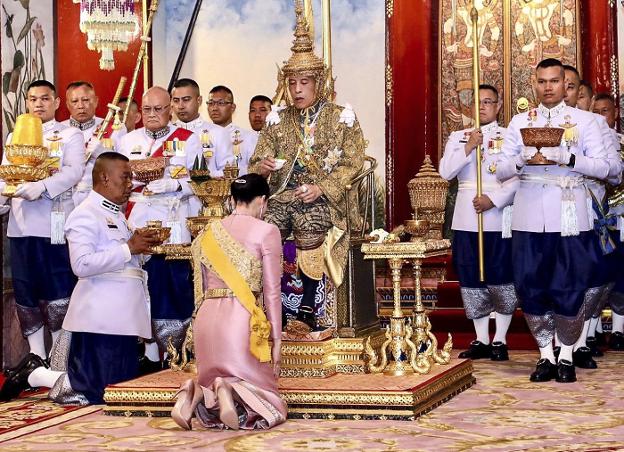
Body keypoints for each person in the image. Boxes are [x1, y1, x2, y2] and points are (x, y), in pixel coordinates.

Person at [0, 153, 161, 403]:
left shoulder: (117, 215)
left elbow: (125, 262)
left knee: (120, 388)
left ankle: (39, 373)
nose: (131, 183)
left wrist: (144, 249)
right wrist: (129, 248)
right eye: (126, 177)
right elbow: (81, 265)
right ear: (106, 178)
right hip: (100, 319)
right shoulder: (85, 214)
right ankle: (37, 374)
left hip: (125, 316)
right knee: (95, 390)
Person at [249, 4, 366, 333]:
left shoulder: (341, 116)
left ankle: (307, 307)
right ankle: (272, 307)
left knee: (309, 222)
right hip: (284, 195)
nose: (297, 90)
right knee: (265, 228)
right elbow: (257, 160)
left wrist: (321, 187)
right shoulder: (277, 120)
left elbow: (353, 161)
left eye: (304, 82)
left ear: (319, 83)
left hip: (325, 198)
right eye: (292, 83)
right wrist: (265, 167)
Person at [497, 58, 609, 383]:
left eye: (554, 81)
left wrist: (569, 158)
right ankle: (546, 354)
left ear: (565, 83)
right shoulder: (519, 122)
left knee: (570, 283)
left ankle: (567, 355)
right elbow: (501, 170)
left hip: (570, 211)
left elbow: (607, 168)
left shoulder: (585, 121)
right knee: (530, 283)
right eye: (542, 81)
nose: (548, 87)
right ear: (534, 84)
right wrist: (520, 159)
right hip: (529, 213)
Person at [171, 173, 286, 430]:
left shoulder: (207, 232)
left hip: (207, 318)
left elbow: (198, 288)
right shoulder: (267, 231)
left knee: (213, 375)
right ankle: (227, 389)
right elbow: (272, 291)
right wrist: (276, 339)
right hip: (240, 318)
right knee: (266, 395)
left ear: (231, 200)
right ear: (263, 201)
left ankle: (192, 396)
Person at [0, 80, 84, 376]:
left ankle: (59, 358)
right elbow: (5, 173)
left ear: (57, 102)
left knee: (57, 288)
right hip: (21, 226)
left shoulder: (70, 134)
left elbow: (74, 172)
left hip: (54, 223)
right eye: (33, 99)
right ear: (26, 102)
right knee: (26, 290)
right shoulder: (15, 137)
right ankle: (36, 358)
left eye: (45, 98)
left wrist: (42, 187)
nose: (38, 104)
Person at [118, 86, 202, 371]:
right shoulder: (127, 140)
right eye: (147, 110)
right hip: (138, 219)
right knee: (143, 288)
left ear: (170, 110)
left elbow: (203, 182)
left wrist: (175, 184)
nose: (152, 115)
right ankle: (150, 357)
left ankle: (176, 354)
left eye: (159, 109)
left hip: (173, 221)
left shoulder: (188, 140)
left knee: (173, 288)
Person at [439, 84, 519, 361]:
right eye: (479, 102)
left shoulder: (509, 136)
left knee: (501, 274)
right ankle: (482, 338)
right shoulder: (458, 137)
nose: (483, 107)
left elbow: (517, 177)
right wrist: (468, 147)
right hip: (466, 215)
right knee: (471, 276)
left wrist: (494, 200)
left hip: (497, 214)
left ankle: (500, 339)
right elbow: (445, 172)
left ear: (498, 106)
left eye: (489, 102)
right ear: (471, 107)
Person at [561, 65, 622, 368]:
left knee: (590, 276)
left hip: (591, 210)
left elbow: (613, 170)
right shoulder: (546, 122)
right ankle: (563, 342)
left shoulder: (597, 126)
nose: (569, 94)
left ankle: (584, 339)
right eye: (565, 86)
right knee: (564, 277)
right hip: (557, 212)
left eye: (575, 89)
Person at [590, 93, 624, 351]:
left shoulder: (621, 143)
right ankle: (594, 330)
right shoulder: (588, 141)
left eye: (606, 111)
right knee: (597, 273)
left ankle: (620, 330)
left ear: (615, 114)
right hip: (596, 216)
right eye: (597, 111)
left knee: (620, 273)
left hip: (620, 216)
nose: (602, 116)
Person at [62, 81, 126, 206]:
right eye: (74, 101)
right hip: (65, 198)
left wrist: (103, 155)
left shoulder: (114, 128)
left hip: (99, 198)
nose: (80, 106)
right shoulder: (59, 131)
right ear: (67, 104)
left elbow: (124, 167)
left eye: (86, 100)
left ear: (96, 101)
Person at [171, 78, 234, 177]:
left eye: (186, 100)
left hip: (205, 191)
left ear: (199, 100)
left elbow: (228, 172)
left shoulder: (218, 133)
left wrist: (195, 176)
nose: (180, 106)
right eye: (176, 100)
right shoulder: (168, 133)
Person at [207, 85, 257, 175]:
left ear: (233, 107)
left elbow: (254, 169)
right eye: (211, 103)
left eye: (221, 103)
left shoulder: (249, 137)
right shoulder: (202, 135)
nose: (214, 108)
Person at [239, 95, 273, 175]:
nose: (257, 115)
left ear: (273, 114)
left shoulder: (281, 139)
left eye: (263, 110)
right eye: (253, 110)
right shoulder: (241, 139)